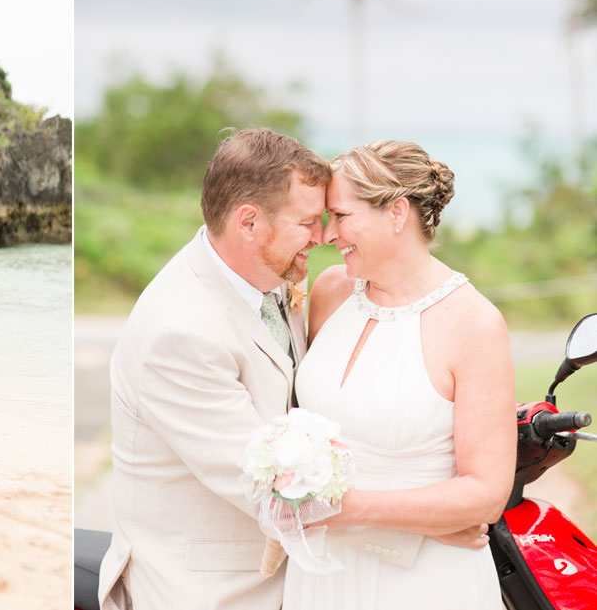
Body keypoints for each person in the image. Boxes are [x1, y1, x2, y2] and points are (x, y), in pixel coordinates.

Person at [98, 128, 405, 610]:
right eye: (307, 222)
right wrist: (433, 509)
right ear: (248, 223)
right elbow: (276, 490)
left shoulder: (263, 277)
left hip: (294, 576)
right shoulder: (179, 335)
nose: (323, 236)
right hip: (211, 591)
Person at [283, 140, 515, 609]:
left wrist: (345, 511)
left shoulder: (473, 323)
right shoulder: (331, 292)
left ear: (396, 213)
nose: (328, 235)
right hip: (321, 575)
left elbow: (486, 494)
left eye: (341, 216)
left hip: (422, 581)